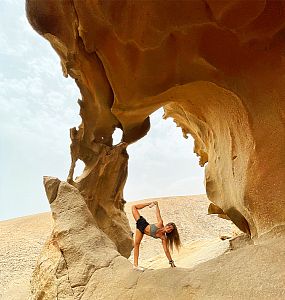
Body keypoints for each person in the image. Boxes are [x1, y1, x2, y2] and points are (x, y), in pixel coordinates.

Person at [131, 201, 181, 270]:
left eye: (171, 230)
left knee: (137, 244)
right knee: (134, 207)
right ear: (166, 225)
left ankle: (135, 265)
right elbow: (158, 214)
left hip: (142, 231)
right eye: (169, 227)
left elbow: (166, 250)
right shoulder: (160, 224)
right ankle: (148, 203)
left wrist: (171, 262)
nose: (169, 229)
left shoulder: (163, 237)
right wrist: (156, 205)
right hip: (142, 223)